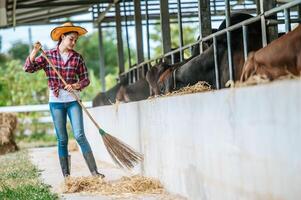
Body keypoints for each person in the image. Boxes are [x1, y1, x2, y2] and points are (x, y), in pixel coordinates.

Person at [23, 22, 105, 178]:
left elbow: (85, 80)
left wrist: (75, 85)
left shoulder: (77, 58)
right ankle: (67, 177)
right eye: (71, 39)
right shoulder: (48, 55)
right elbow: (28, 68)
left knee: (80, 135)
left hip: (74, 100)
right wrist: (34, 51)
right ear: (62, 37)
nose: (74, 43)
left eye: (76, 40)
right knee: (62, 139)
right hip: (56, 102)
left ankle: (95, 173)